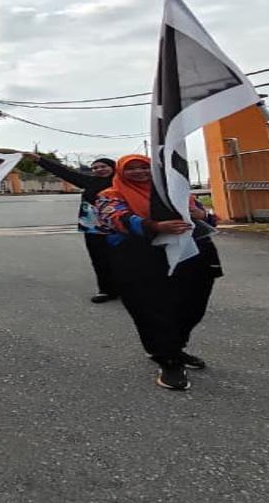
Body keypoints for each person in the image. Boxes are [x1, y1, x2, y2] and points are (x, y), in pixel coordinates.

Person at [95, 155, 223, 391]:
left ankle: (176, 346)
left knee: (192, 305)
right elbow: (114, 218)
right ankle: (168, 360)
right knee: (153, 309)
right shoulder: (110, 195)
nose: (139, 172)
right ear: (121, 172)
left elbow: (209, 218)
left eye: (144, 167)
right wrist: (154, 226)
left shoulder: (175, 192)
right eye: (131, 169)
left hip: (189, 256)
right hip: (139, 260)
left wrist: (202, 215)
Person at [30, 153, 119, 303]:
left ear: (114, 167)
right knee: (99, 259)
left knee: (123, 259)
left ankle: (130, 289)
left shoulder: (123, 182)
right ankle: (106, 290)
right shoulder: (89, 181)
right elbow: (64, 172)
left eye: (103, 166)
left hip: (120, 226)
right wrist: (39, 160)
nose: (99, 170)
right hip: (93, 227)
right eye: (95, 167)